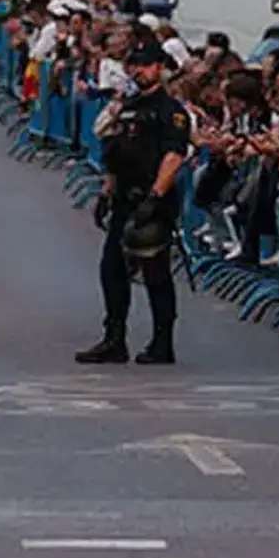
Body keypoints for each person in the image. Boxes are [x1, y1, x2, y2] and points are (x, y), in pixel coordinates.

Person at [76, 41, 188, 366]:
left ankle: (162, 342)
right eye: (134, 65)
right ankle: (114, 339)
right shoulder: (127, 106)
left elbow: (173, 155)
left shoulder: (171, 111)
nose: (139, 70)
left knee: (155, 272)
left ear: (159, 67)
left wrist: (155, 196)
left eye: (146, 64)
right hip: (124, 196)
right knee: (112, 270)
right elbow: (114, 151)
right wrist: (105, 193)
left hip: (152, 200)